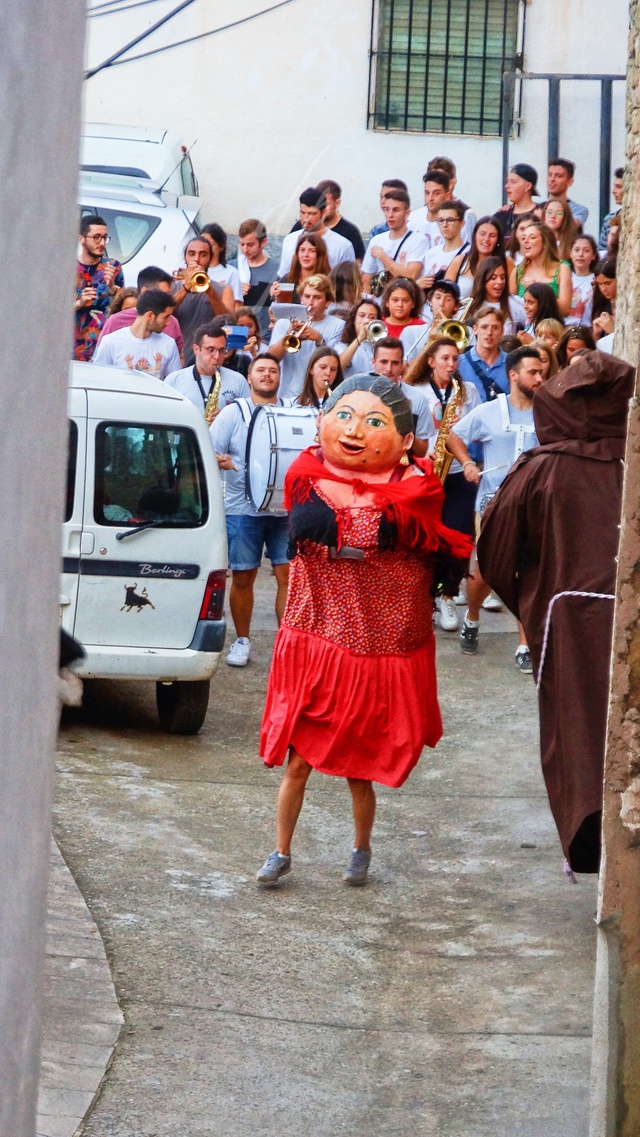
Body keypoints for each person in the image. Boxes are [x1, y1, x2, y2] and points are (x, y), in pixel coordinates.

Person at [256, 374, 473, 887]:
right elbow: (310, 527)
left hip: (379, 646)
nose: (354, 431)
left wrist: (360, 534)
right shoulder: (307, 473)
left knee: (360, 768)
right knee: (298, 765)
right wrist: (356, 532)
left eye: (374, 422)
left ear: (405, 440)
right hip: (318, 640)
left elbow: (409, 538)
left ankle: (360, 849)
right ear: (322, 421)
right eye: (345, 416)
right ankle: (280, 852)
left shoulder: (418, 486)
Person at [476, 352, 634, 874]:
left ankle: (593, 847)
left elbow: (495, 554)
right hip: (625, 619)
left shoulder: (540, 468)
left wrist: (536, 599)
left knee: (577, 732)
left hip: (567, 624)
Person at [447, 346, 545, 671]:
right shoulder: (490, 411)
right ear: (513, 375)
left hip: (534, 507)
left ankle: (525, 643)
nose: (540, 378)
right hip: (493, 505)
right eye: (533, 372)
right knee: (487, 573)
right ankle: (472, 616)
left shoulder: (549, 413)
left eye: (542, 372)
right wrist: (467, 463)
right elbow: (454, 436)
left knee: (528, 573)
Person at [210, 354, 290, 668]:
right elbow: (211, 449)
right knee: (243, 577)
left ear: (280, 377)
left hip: (284, 510)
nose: (267, 375)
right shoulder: (233, 412)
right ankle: (242, 640)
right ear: (249, 377)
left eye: (273, 371)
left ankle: (287, 645)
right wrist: (224, 462)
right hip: (241, 508)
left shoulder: (290, 411)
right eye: (261, 370)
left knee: (288, 577)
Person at [404, 335, 481, 631]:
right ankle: (426, 598)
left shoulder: (467, 390)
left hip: (458, 472)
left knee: (460, 536)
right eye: (445, 358)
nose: (451, 364)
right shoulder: (417, 391)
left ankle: (448, 594)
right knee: (425, 539)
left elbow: (476, 428)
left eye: (455, 359)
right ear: (431, 361)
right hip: (426, 471)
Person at [269, 275, 345, 400]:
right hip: (287, 394)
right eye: (307, 296)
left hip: (321, 395)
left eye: (317, 297)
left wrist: (319, 340)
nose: (310, 302)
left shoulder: (338, 325)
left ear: (327, 302)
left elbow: (339, 362)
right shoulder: (284, 322)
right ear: (301, 298)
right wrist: (289, 335)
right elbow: (272, 358)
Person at [164, 322, 249, 421]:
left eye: (222, 350)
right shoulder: (173, 380)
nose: (217, 356)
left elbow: (247, 419)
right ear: (196, 349)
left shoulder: (238, 381)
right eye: (211, 350)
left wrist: (226, 420)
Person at [97, 265, 185, 357]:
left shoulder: (172, 322)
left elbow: (180, 357)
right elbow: (100, 360)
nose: (168, 300)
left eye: (169, 295)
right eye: (163, 294)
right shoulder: (115, 321)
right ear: (145, 292)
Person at [91, 289, 180, 379]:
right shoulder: (111, 342)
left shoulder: (169, 345)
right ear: (150, 316)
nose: (168, 322)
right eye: (166, 317)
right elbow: (99, 379)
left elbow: (175, 382)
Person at [370, 337, 436, 457]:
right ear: (373, 362)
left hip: (401, 464)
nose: (389, 369)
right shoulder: (358, 393)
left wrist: (404, 424)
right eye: (383, 362)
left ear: (402, 365)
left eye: (395, 363)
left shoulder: (417, 399)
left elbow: (421, 451)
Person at [173, 237, 234, 366]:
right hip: (178, 359)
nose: (196, 259)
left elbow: (228, 322)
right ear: (185, 258)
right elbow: (164, 312)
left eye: (203, 255)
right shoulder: (173, 287)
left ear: (211, 259)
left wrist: (210, 291)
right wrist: (186, 287)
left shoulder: (224, 289)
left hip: (209, 360)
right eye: (191, 254)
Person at [74, 215, 124, 361]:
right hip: (74, 346)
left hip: (103, 345)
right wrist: (79, 302)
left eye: (104, 237)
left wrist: (112, 287)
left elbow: (124, 307)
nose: (102, 243)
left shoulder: (113, 266)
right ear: (82, 238)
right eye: (96, 237)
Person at [278, 188, 356, 277]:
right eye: (303, 213)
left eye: (312, 214)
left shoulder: (342, 246)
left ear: (324, 212)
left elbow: (349, 281)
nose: (306, 219)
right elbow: (283, 277)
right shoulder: (290, 240)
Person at [361, 188, 427, 293]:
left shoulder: (419, 240)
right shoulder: (376, 240)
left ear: (407, 213)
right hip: (379, 299)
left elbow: (410, 277)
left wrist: (382, 256)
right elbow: (366, 279)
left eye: (396, 210)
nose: (390, 215)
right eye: (387, 210)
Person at [290, 179, 365, 263]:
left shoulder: (350, 232)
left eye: (326, 204)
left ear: (337, 203)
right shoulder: (300, 226)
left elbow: (356, 264)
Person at [510, 220, 572, 318]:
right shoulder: (518, 272)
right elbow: (511, 307)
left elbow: (565, 310)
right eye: (524, 238)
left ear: (545, 242)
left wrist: (539, 290)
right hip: (525, 325)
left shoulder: (562, 268)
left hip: (552, 325)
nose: (526, 241)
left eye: (532, 237)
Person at [231, 219, 279, 339]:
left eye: (250, 245)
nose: (245, 250)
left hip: (266, 337)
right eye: (242, 244)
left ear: (263, 242)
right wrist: (235, 291)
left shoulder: (277, 270)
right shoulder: (232, 268)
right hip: (238, 337)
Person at [445, 215, 511, 300]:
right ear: (475, 236)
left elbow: (511, 295)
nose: (486, 239)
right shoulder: (460, 260)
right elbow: (445, 292)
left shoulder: (506, 262)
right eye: (482, 234)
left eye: (492, 235)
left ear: (498, 240)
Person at [456, 306, 509, 401]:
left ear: (502, 331)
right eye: (484, 327)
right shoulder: (458, 363)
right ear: (475, 329)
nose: (489, 332)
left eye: (495, 328)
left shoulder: (512, 363)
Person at [465, 256, 524, 334]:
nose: (500, 282)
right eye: (493, 278)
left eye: (502, 277)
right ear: (482, 280)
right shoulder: (469, 306)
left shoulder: (515, 303)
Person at [419, 201, 469, 290]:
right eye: (441, 220)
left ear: (462, 223)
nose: (445, 225)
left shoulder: (469, 252)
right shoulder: (431, 254)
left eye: (450, 220)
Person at [200, 223, 243, 307]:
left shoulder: (232, 273)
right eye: (202, 243)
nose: (205, 248)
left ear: (221, 247)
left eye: (210, 244)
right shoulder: (192, 269)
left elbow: (237, 306)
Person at [338, 298, 384, 376]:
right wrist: (359, 338)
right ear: (354, 320)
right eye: (362, 316)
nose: (367, 320)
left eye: (372, 317)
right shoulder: (342, 346)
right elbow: (338, 367)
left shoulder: (380, 346)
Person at [279, 232, 330, 302]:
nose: (306, 255)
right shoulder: (288, 279)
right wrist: (277, 297)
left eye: (312, 251)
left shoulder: (329, 281)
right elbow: (278, 306)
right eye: (302, 250)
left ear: (320, 254)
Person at [407, 168, 451, 246]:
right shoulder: (413, 220)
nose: (430, 198)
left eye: (436, 193)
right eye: (427, 193)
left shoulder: (451, 225)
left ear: (447, 196)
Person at [494, 163, 538, 237]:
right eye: (507, 182)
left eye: (513, 182)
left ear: (528, 186)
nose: (507, 186)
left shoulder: (542, 214)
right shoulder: (501, 217)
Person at [567, 234, 598, 327]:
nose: (581, 254)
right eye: (577, 250)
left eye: (586, 251)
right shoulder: (564, 278)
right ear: (571, 254)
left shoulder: (597, 280)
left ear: (593, 255)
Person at [547, 158, 588, 227]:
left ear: (569, 181)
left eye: (559, 176)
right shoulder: (538, 207)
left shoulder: (578, 210)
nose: (552, 179)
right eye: (550, 175)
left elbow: (571, 227)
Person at [542, 197, 579, 263]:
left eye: (559, 213)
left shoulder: (573, 243)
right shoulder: (537, 239)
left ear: (565, 217)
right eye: (549, 212)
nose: (553, 216)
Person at [599, 167, 624, 253]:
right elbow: (602, 251)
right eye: (614, 186)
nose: (613, 191)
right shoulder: (609, 219)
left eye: (619, 187)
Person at [592, 257, 617, 343]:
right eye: (600, 284)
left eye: (608, 283)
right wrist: (596, 334)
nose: (603, 289)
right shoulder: (602, 304)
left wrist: (612, 331)